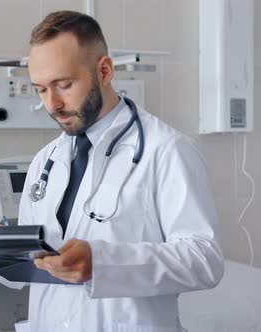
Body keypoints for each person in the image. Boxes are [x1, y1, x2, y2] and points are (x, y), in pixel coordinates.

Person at [17, 10, 224, 331]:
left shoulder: (165, 150)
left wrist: (104, 264)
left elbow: (204, 260)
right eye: (41, 89)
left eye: (64, 84)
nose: (51, 104)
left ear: (104, 70)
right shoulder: (45, 161)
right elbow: (30, 258)